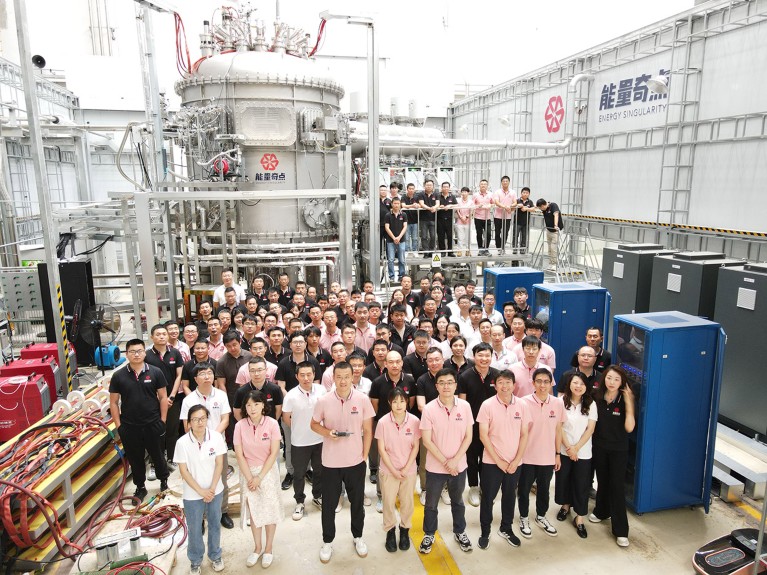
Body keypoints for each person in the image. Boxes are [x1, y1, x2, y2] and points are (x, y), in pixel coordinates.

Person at [311, 362, 375, 563]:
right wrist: (327, 433)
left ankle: (358, 537)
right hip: (330, 463)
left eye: (347, 376)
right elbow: (313, 424)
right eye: (339, 376)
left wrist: (363, 456)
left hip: (355, 462)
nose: (343, 380)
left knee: (357, 503)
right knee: (329, 504)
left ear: (353, 376)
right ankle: (328, 541)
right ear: (333, 377)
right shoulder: (323, 400)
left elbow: (368, 430)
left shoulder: (363, 399)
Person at [419, 368, 474, 555]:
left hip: (459, 466)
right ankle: (429, 533)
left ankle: (460, 531)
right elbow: (427, 441)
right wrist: (446, 462)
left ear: (456, 385)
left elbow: (468, 437)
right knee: (431, 503)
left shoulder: (465, 407)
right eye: (441, 382)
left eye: (450, 382)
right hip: (435, 467)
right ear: (436, 386)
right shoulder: (429, 409)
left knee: (457, 501)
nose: (446, 386)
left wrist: (455, 460)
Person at [110, 339, 170, 501]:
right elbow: (114, 402)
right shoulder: (118, 376)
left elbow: (163, 397)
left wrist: (162, 420)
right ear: (127, 354)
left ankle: (164, 481)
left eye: (139, 351)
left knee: (157, 455)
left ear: (145, 352)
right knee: (135, 458)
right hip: (129, 427)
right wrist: (119, 426)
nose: (136, 354)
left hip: (153, 424)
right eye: (132, 351)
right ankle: (140, 487)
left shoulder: (156, 372)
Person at [476, 369, 530, 549]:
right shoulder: (487, 405)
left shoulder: (522, 405)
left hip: (515, 463)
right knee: (488, 498)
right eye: (500, 382)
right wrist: (498, 461)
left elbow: (524, 435)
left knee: (509, 496)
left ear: (514, 385)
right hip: (492, 462)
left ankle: (506, 527)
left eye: (508, 382)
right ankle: (485, 530)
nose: (504, 386)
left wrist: (516, 460)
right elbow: (484, 436)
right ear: (495, 385)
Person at [174, 405, 227, 575]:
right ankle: (195, 560)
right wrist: (201, 491)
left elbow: (219, 464)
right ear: (189, 422)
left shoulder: (217, 437)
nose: (199, 422)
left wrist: (211, 488)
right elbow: (184, 471)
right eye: (195, 419)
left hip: (215, 491)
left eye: (203, 418)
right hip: (192, 495)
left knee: (214, 524)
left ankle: (215, 555)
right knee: (195, 527)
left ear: (207, 419)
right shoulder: (182, 443)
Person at [234, 390, 283, 568]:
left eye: (256, 404)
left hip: (267, 472)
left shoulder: (271, 424)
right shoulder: (240, 426)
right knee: (254, 513)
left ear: (263, 405)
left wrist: (260, 477)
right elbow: (239, 455)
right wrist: (250, 478)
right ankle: (257, 548)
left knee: (269, 511)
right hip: (247, 472)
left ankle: (268, 548)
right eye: (248, 405)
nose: (252, 408)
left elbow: (274, 452)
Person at [180, 362, 233, 529]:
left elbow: (225, 419)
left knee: (221, 480)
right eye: (202, 374)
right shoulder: (189, 400)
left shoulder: (221, 395)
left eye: (210, 373)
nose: (207, 377)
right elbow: (186, 425)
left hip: (219, 446)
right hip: (196, 448)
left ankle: (223, 512)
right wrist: (204, 440)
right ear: (195, 379)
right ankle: (201, 516)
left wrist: (213, 438)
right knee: (199, 481)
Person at [517, 368, 566, 540]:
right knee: (523, 489)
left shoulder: (558, 403)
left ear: (552, 383)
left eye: (546, 381)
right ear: (533, 383)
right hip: (527, 455)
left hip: (547, 456)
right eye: (539, 381)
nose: (542, 385)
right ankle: (523, 518)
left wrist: (558, 454)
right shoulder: (523, 402)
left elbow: (558, 429)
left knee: (544, 489)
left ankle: (541, 516)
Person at [590, 365, 636, 548]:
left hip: (618, 450)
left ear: (622, 382)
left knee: (616, 487)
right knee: (602, 480)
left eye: (616, 379)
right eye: (609, 378)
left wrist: (629, 402)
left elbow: (629, 428)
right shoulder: (597, 396)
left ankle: (621, 530)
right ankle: (601, 511)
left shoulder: (625, 400)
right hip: (599, 446)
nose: (612, 382)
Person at [376, 387, 421, 552]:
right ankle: (389, 530)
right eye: (395, 401)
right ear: (390, 403)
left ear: (407, 402)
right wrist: (394, 470)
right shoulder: (382, 422)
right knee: (388, 502)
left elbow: (416, 447)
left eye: (402, 401)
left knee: (407, 502)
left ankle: (404, 530)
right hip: (389, 471)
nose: (399, 404)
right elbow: (381, 449)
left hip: (408, 470)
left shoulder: (415, 421)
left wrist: (407, 467)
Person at [554, 371, 597, 539]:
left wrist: (577, 447)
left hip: (583, 451)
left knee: (581, 483)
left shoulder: (591, 404)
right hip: (564, 449)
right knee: (564, 479)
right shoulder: (560, 402)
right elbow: (559, 427)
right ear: (569, 384)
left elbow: (591, 428)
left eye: (582, 384)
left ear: (586, 387)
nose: (578, 386)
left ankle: (579, 517)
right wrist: (569, 448)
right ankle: (565, 506)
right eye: (575, 383)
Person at [282, 361, 326, 521]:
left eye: (309, 374)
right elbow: (286, 418)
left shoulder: (322, 390)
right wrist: (299, 429)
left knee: (320, 471)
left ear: (314, 375)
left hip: (320, 439)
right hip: (299, 442)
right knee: (299, 474)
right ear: (296, 376)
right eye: (302, 375)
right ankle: (299, 502)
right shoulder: (291, 396)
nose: (306, 378)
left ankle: (318, 496)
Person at [457, 342, 499, 508]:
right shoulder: (465, 376)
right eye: (480, 355)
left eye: (487, 355)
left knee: (489, 458)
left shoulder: (497, 375)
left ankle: (486, 487)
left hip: (493, 426)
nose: (483, 358)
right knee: (472, 458)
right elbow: (462, 402)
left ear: (492, 357)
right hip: (472, 425)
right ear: (474, 357)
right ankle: (474, 487)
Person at [144, 324, 183, 471]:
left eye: (164, 334)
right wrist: (160, 398)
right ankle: (156, 463)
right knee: (156, 431)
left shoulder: (175, 353)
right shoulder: (146, 356)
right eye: (158, 334)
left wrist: (171, 396)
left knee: (172, 431)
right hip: (153, 401)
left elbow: (179, 375)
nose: (161, 336)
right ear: (152, 337)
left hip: (173, 399)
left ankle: (172, 458)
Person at [536, 198, 564, 270]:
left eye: (540, 208)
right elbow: (534, 207)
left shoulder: (553, 205)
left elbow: (556, 215)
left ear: (543, 205)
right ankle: (550, 263)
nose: (541, 210)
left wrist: (555, 225)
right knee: (549, 248)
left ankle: (554, 264)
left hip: (556, 231)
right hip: (549, 230)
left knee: (553, 248)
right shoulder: (544, 209)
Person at [384, 197, 408, 281]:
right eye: (395, 203)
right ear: (392, 204)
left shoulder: (403, 215)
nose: (396, 205)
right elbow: (387, 228)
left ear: (400, 204)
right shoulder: (388, 215)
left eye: (398, 203)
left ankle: (401, 275)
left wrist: (399, 237)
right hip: (390, 241)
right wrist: (394, 238)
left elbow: (405, 227)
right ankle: (391, 276)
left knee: (402, 259)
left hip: (401, 240)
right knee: (390, 259)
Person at [493, 176, 517, 254]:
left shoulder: (513, 192)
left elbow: (515, 202)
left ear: (509, 182)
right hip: (498, 216)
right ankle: (498, 248)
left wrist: (510, 206)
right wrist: (505, 207)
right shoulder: (497, 192)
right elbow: (496, 202)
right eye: (503, 181)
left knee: (505, 232)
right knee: (497, 232)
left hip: (507, 216)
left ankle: (503, 247)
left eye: (506, 181)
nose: (505, 182)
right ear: (501, 182)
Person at [417, 179, 438, 256]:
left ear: (433, 186)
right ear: (424, 186)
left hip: (433, 218)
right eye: (427, 185)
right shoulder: (421, 194)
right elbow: (422, 204)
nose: (429, 186)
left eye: (430, 185)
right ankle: (426, 252)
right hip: (423, 219)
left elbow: (437, 203)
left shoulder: (436, 194)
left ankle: (431, 251)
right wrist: (430, 208)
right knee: (424, 236)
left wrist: (435, 207)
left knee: (433, 236)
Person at [473, 179, 493, 256]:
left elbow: (494, 204)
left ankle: (486, 249)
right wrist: (477, 206)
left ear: (487, 186)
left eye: (485, 184)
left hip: (487, 218)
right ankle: (480, 249)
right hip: (478, 217)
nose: (483, 185)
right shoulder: (475, 195)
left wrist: (490, 205)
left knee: (488, 234)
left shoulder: (491, 194)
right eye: (482, 184)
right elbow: (472, 205)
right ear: (479, 185)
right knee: (479, 234)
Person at [436, 182, 457, 256]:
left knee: (450, 236)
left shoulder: (452, 197)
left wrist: (450, 205)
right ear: (441, 188)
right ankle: (442, 251)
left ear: (449, 188)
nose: (445, 188)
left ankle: (450, 251)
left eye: (447, 187)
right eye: (444, 187)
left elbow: (456, 205)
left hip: (449, 219)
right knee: (440, 236)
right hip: (440, 219)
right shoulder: (438, 196)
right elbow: (435, 205)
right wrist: (439, 206)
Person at [513, 186, 534, 251]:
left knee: (524, 236)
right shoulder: (517, 200)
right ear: (521, 193)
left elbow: (533, 209)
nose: (525, 194)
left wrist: (526, 209)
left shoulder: (530, 202)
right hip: (517, 222)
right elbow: (512, 206)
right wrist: (517, 206)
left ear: (529, 194)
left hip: (526, 222)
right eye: (524, 192)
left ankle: (522, 249)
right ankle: (515, 248)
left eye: (527, 193)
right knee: (515, 236)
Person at [401, 183, 420, 253]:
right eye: (410, 189)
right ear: (407, 189)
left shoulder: (417, 197)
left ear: (414, 190)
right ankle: (407, 251)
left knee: (415, 238)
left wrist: (417, 205)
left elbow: (420, 205)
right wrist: (412, 205)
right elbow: (403, 206)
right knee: (406, 238)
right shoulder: (403, 197)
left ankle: (414, 251)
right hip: (406, 221)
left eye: (412, 189)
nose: (411, 190)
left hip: (415, 221)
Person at [454, 186, 473, 256]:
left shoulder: (471, 202)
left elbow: (472, 211)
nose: (464, 193)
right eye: (463, 192)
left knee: (468, 237)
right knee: (460, 237)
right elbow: (457, 210)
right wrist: (461, 217)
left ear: (468, 193)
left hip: (468, 222)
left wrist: (466, 217)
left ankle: (468, 250)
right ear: (461, 193)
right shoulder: (458, 200)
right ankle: (459, 250)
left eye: (465, 192)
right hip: (460, 221)